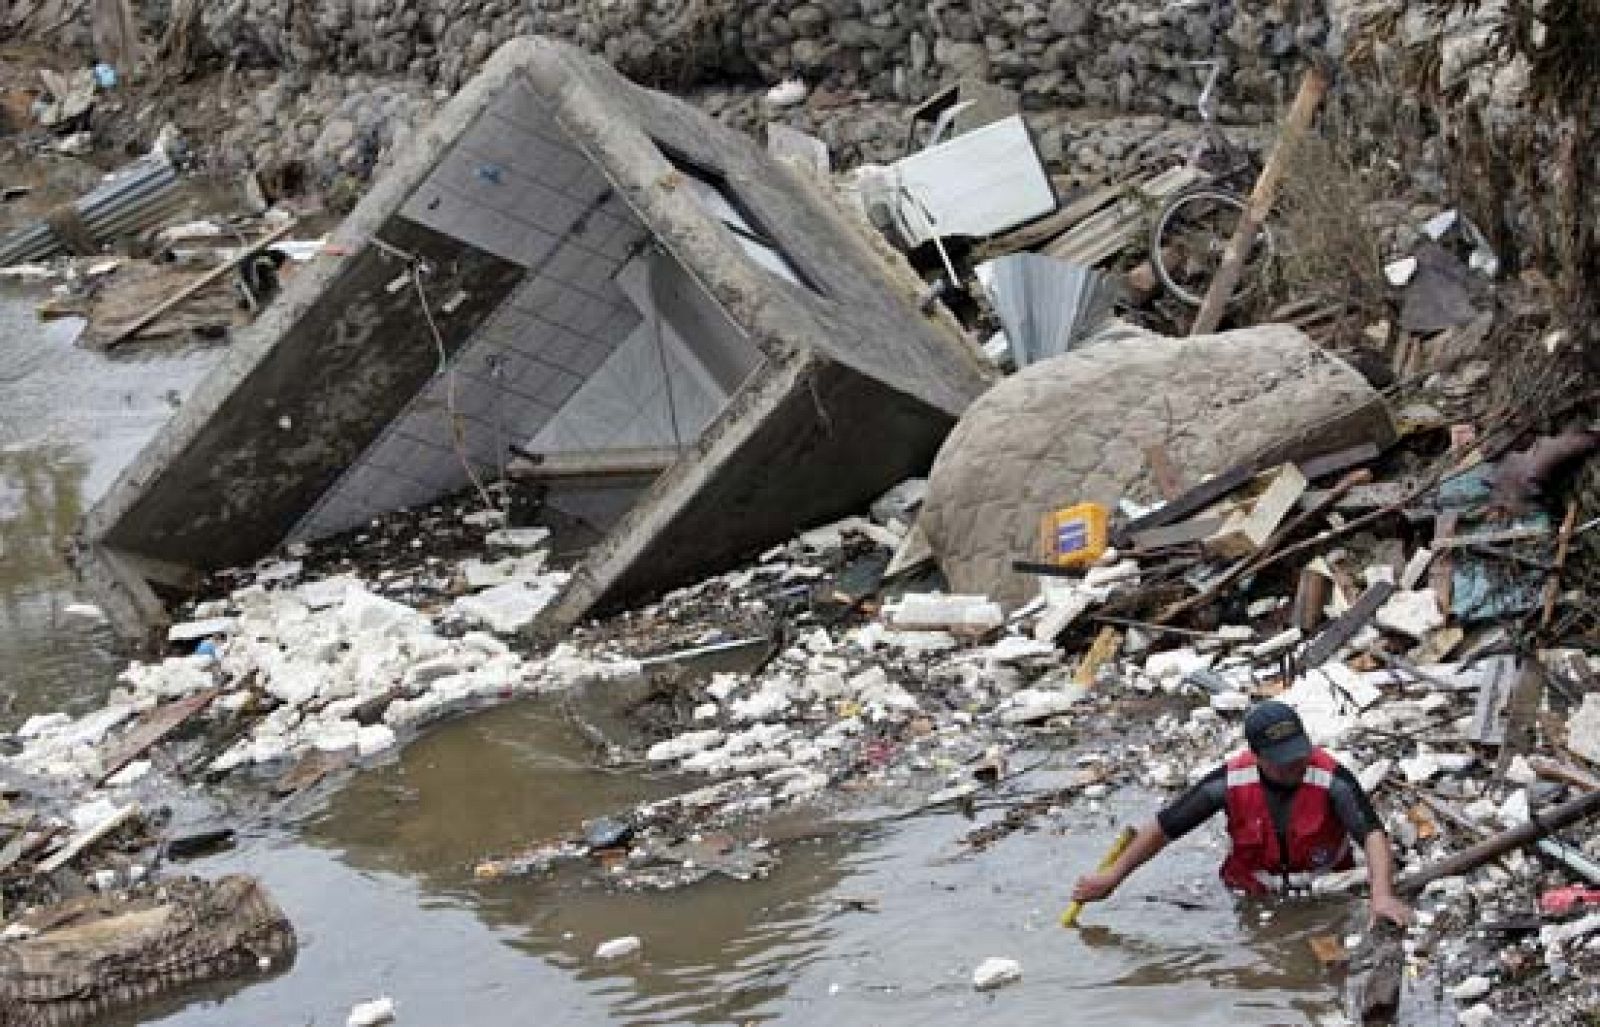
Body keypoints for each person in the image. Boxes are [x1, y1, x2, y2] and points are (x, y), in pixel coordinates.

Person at [1071, 700, 1413, 926]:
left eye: (1298, 755)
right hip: (1251, 895)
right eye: (1283, 760)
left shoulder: (1330, 776)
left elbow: (1372, 833)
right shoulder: (1230, 780)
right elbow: (1164, 828)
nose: (1295, 766)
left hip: (1325, 893)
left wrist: (1381, 895)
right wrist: (1111, 878)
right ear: (1257, 756)